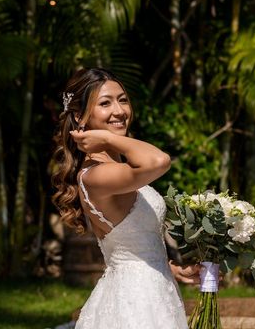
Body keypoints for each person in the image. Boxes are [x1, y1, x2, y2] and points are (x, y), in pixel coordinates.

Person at [51, 68, 198, 328]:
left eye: (123, 99)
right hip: (135, 303)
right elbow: (159, 161)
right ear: (79, 117)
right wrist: (107, 138)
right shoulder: (95, 175)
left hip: (154, 291)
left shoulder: (120, 171)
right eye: (105, 103)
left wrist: (170, 269)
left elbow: (132, 246)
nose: (119, 111)